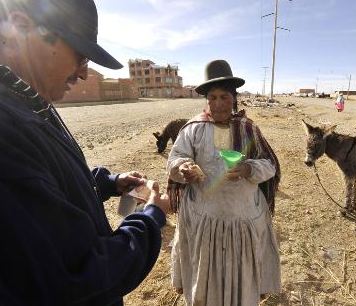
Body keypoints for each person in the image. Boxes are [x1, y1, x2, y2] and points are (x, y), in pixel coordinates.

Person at [0, 0, 170, 305]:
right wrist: (151, 217)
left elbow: (47, 183)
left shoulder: (28, 99)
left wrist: (107, 182)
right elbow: (77, 275)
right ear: (21, 25)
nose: (83, 72)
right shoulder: (7, 128)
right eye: (80, 55)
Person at [167, 59, 281, 305]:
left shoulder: (248, 129)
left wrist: (248, 167)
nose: (218, 104)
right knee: (204, 277)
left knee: (241, 279)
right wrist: (184, 167)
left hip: (242, 217)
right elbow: (176, 158)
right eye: (213, 98)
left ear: (234, 98)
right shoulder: (193, 129)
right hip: (203, 218)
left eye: (224, 97)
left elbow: (270, 165)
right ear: (206, 100)